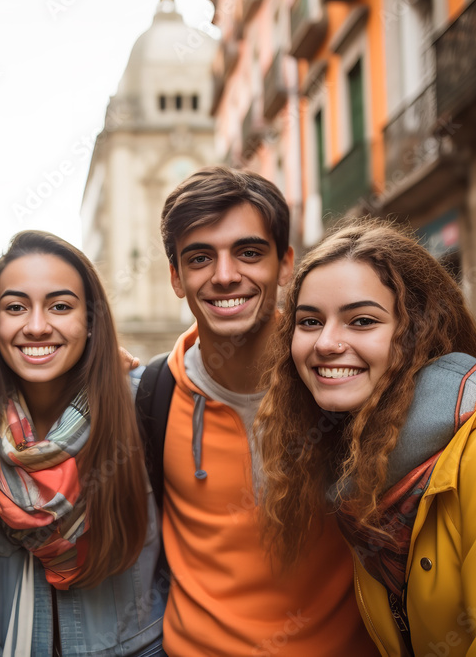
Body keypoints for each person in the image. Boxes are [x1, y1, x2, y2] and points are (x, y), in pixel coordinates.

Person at [155, 166, 376, 654]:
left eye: (249, 252)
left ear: (284, 264)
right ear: (176, 277)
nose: (225, 275)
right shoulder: (149, 395)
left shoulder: (347, 379)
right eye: (199, 258)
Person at [256, 219, 476, 656]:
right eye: (310, 321)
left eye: (362, 320)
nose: (327, 343)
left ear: (419, 333)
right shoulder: (358, 467)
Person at [0, 230, 165, 656]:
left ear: (91, 321)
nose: (37, 326)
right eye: (16, 307)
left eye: (60, 306)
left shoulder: (148, 401)